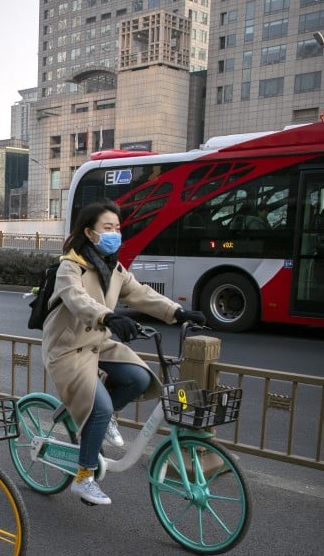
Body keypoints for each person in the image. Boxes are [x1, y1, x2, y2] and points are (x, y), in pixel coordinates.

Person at [43, 201, 206, 505]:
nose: (115, 233)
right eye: (108, 228)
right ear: (90, 233)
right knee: (101, 407)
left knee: (139, 379)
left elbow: (141, 293)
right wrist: (109, 316)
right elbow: (78, 301)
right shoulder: (70, 266)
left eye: (117, 228)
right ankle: (84, 478)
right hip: (67, 349)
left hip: (98, 342)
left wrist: (178, 311)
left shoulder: (113, 267)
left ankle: (102, 420)